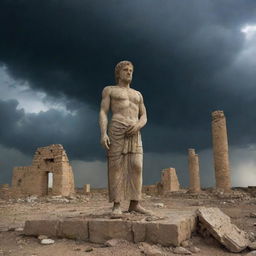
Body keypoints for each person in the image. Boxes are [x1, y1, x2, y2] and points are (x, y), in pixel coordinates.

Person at [99, 60, 150, 215]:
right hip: (117, 129)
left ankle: (135, 203)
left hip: (135, 131)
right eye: (126, 70)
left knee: (137, 166)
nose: (129, 72)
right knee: (116, 167)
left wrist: (139, 125)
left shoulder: (138, 94)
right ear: (118, 73)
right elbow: (103, 111)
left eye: (131, 70)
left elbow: (144, 116)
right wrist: (103, 133)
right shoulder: (110, 90)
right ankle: (116, 204)